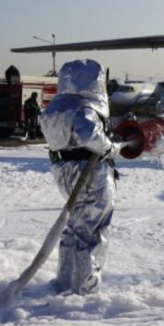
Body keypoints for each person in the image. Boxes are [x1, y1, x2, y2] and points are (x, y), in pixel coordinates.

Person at [40, 60, 123, 295]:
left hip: (64, 171)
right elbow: (88, 135)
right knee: (93, 230)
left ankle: (65, 282)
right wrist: (111, 147)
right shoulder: (84, 107)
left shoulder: (54, 108)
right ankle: (86, 290)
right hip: (91, 172)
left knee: (74, 227)